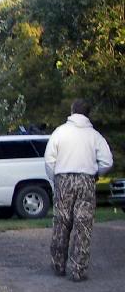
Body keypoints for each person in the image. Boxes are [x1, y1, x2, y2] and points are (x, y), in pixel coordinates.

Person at [44, 99, 113, 282]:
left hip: (63, 179)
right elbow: (107, 161)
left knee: (61, 223)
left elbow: (49, 159)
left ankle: (59, 264)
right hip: (86, 180)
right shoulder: (94, 135)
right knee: (83, 225)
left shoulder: (60, 132)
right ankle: (79, 269)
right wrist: (96, 174)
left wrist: (56, 179)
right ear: (88, 113)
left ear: (72, 110)